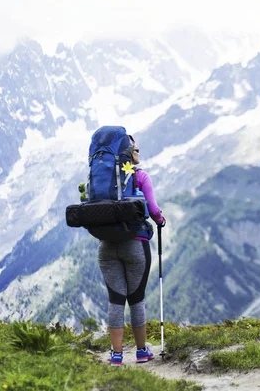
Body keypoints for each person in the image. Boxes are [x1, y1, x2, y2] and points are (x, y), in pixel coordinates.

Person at [97, 134, 166, 366]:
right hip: (135, 245)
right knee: (136, 299)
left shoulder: (103, 180)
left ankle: (116, 355)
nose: (138, 152)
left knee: (115, 300)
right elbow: (153, 208)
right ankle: (141, 351)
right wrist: (160, 220)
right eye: (135, 149)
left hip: (106, 247)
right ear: (128, 153)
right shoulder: (141, 177)